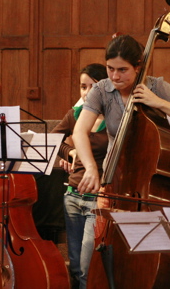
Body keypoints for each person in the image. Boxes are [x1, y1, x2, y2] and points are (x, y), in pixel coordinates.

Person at [73, 34, 170, 195]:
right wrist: (90, 168)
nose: (115, 76)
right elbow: (79, 132)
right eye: (110, 68)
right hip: (114, 179)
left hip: (151, 182)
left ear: (137, 66)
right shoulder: (101, 90)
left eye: (122, 70)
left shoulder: (157, 87)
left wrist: (158, 102)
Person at [54, 63, 109, 289]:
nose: (86, 93)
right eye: (82, 87)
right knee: (75, 267)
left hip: (98, 199)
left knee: (87, 267)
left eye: (91, 87)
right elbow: (54, 139)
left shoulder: (114, 119)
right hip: (73, 195)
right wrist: (71, 151)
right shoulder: (75, 115)